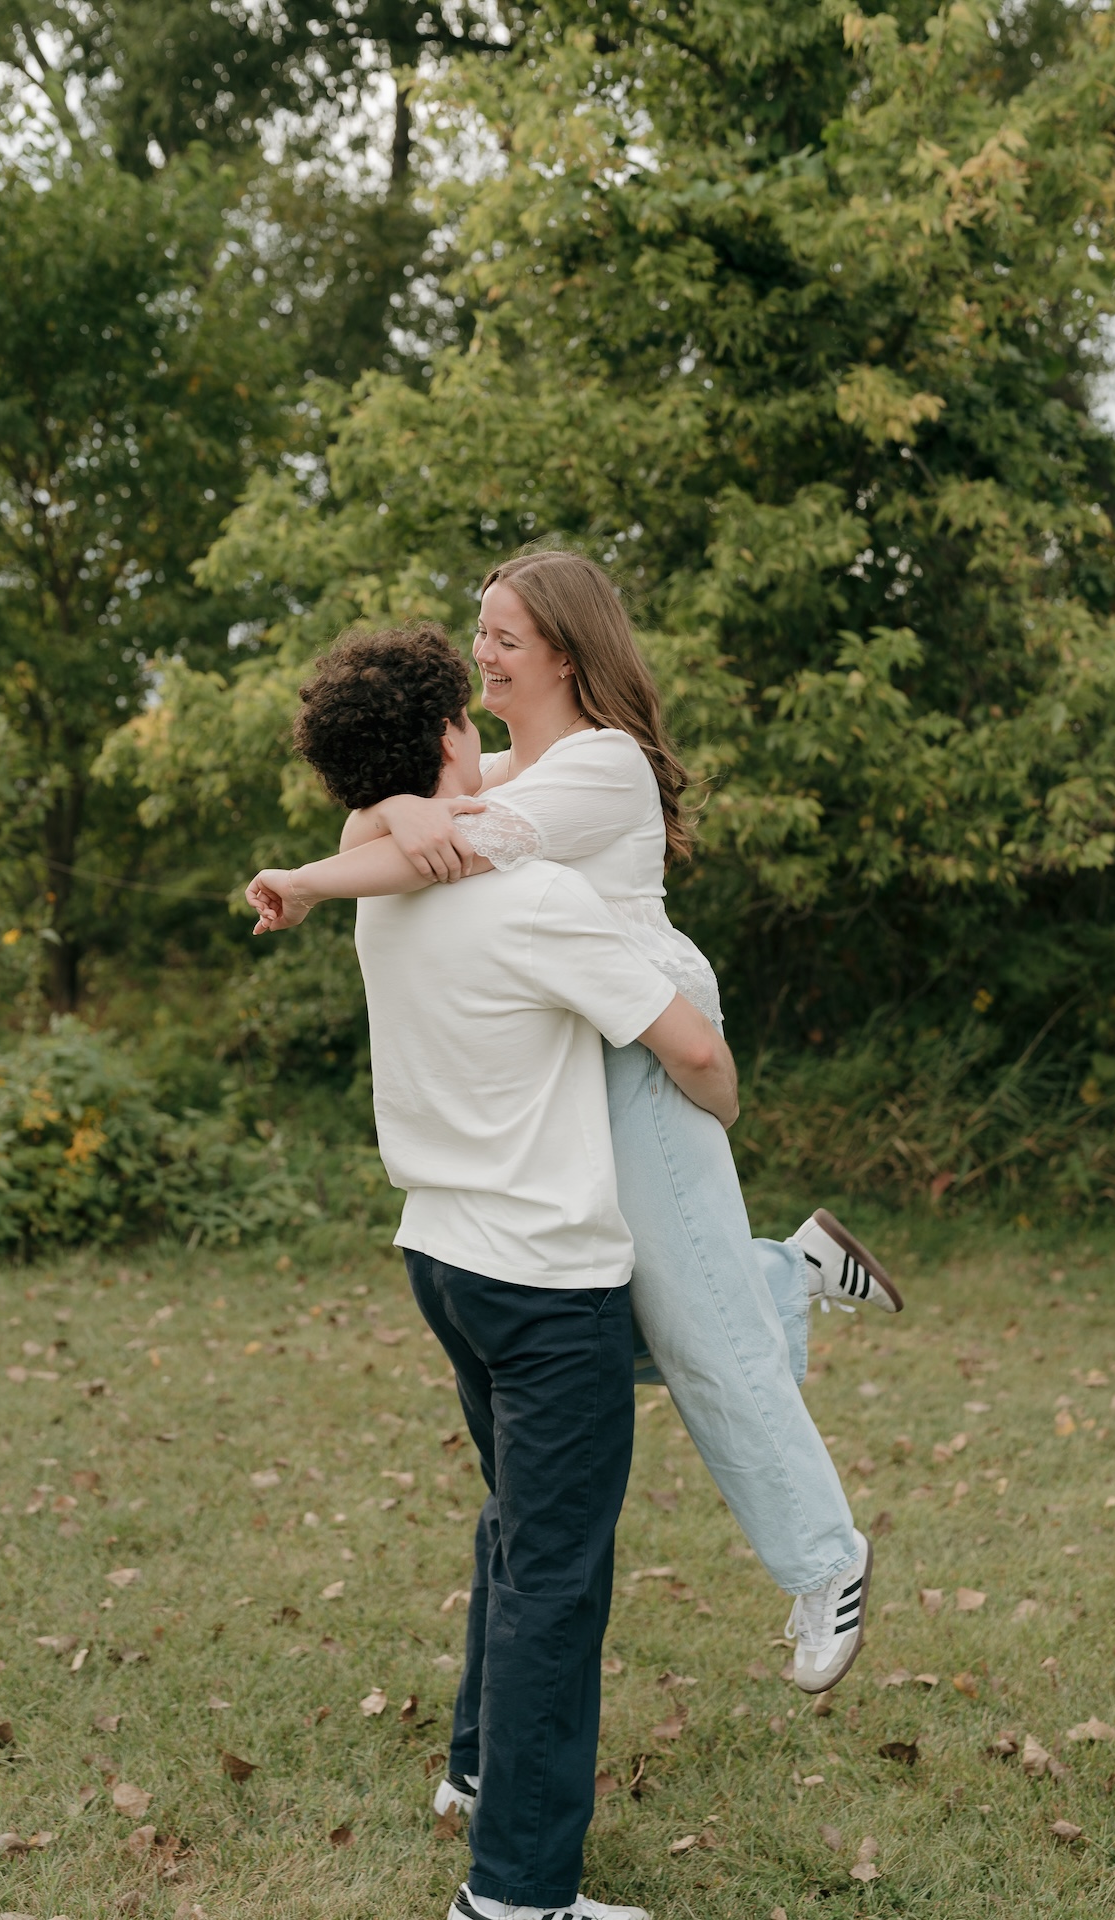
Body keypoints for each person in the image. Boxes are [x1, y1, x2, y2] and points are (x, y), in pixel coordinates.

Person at [248, 553, 900, 1698]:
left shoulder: (600, 766)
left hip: (645, 1049)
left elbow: (459, 847)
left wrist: (306, 878)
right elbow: (402, 824)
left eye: (504, 636)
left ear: (563, 649)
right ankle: (787, 1271)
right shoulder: (510, 764)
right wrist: (394, 801)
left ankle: (823, 1558)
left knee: (698, 1335)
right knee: (629, 1316)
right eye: (480, 631)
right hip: (581, 1046)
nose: (483, 653)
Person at [253, 623, 739, 1920]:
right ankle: (517, 1895)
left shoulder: (388, 896)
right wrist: (728, 1091)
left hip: (446, 1262)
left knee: (515, 1533)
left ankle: (477, 1771)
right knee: (556, 1582)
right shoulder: (534, 900)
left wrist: (366, 835)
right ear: (453, 740)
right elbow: (687, 1047)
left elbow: (383, 845)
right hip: (545, 1287)